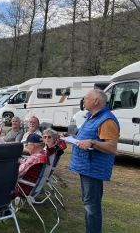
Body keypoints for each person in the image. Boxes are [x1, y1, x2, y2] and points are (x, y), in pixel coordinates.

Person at [69, 89, 119, 233]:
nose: (83, 101)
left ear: (96, 101)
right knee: (88, 203)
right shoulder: (92, 116)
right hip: (86, 166)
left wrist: (92, 142)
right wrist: (72, 137)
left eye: (86, 98)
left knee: (92, 206)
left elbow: (112, 148)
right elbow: (87, 136)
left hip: (93, 170)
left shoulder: (107, 120)